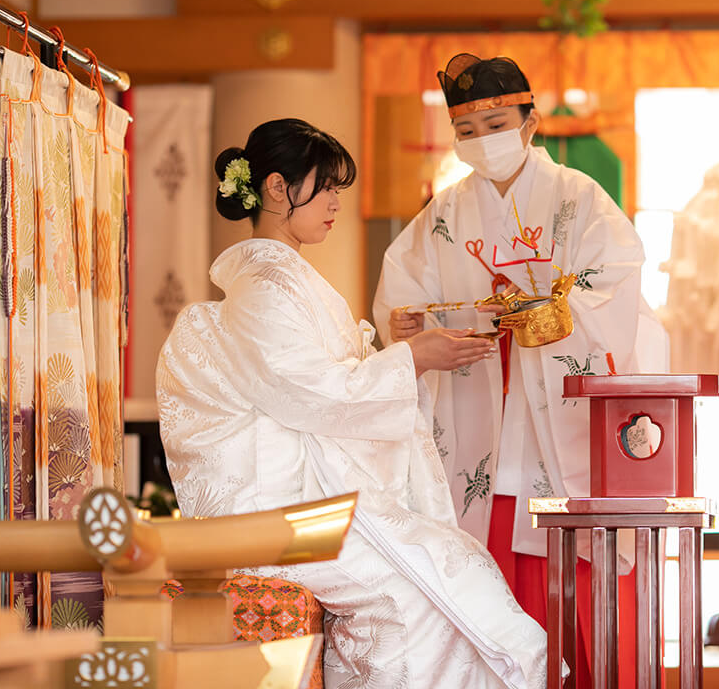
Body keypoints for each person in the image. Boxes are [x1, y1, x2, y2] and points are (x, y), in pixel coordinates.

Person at [156, 118, 547, 689]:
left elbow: (330, 381)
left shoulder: (285, 278)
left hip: (304, 496)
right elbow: (309, 392)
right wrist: (413, 358)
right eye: (327, 185)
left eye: (340, 188)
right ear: (275, 188)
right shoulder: (265, 285)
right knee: (421, 595)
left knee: (454, 574)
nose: (338, 201)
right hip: (275, 512)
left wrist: (410, 350)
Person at [373, 54, 667, 688]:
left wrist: (549, 313)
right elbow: (406, 297)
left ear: (531, 122)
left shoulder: (577, 197)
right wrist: (408, 328)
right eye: (467, 130)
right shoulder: (445, 212)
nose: (482, 141)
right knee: (490, 579)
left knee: (574, 593)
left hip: (554, 419)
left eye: (496, 123)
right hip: (481, 411)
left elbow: (614, 282)